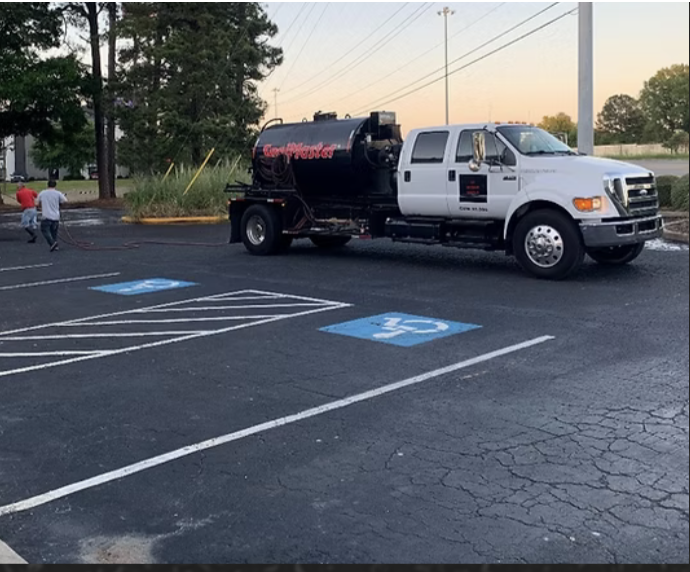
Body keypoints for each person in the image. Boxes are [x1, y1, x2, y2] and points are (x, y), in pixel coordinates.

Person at [36, 180, 68, 252]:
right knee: (54, 232)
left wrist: (39, 207)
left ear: (47, 185)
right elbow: (65, 200)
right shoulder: (58, 193)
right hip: (56, 216)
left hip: (46, 216)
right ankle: (55, 245)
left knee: (45, 230)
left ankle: (52, 243)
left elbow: (37, 203)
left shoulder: (42, 193)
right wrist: (60, 204)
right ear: (55, 186)